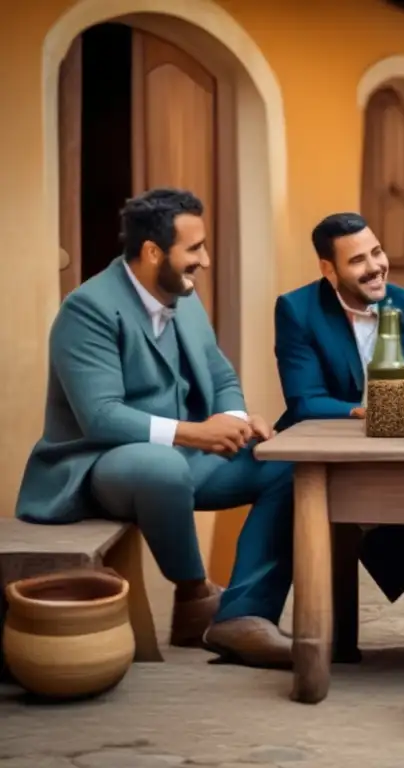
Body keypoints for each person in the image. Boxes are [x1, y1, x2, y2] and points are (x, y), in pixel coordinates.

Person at [15, 187, 288, 650]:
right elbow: (100, 417)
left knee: (289, 464)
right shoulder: (88, 309)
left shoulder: (183, 295)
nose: (204, 260)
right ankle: (196, 595)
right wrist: (196, 433)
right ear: (152, 251)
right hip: (99, 466)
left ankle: (244, 612)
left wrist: (235, 418)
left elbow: (221, 372)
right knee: (161, 466)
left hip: (186, 459)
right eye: (194, 248)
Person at [203, 213, 404, 667]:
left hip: (401, 450)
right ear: (328, 270)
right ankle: (243, 617)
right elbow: (306, 401)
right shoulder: (297, 309)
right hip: (321, 443)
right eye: (357, 261)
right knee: (293, 475)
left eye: (377, 252)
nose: (374, 267)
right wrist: (365, 410)